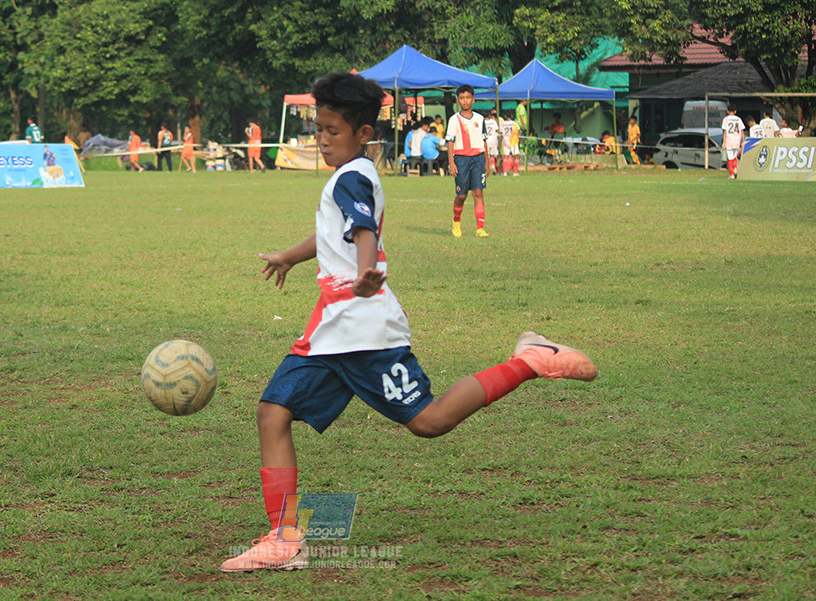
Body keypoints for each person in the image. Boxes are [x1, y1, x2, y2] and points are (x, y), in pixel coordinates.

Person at [219, 71, 598, 573]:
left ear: (363, 135)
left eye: (333, 130)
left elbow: (360, 234)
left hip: (362, 330)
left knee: (430, 421)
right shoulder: (352, 176)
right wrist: (291, 256)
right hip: (333, 327)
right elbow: (334, 232)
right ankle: (285, 538)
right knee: (272, 412)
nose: (322, 139)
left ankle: (529, 361)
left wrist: (366, 272)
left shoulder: (353, 176)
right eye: (319, 128)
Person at [445, 85, 490, 237]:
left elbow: (484, 142)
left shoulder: (480, 119)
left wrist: (487, 163)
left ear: (473, 100)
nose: (465, 101)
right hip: (461, 159)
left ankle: (480, 228)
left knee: (478, 192)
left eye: (468, 98)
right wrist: (451, 163)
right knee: (462, 195)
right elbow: (450, 142)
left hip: (478, 158)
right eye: (462, 98)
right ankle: (456, 221)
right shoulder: (454, 120)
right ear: (458, 101)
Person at [721, 105, 745, 179]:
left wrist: (724, 142)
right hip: (737, 139)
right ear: (735, 111)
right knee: (734, 155)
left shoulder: (726, 119)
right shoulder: (738, 119)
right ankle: (735, 168)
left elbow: (725, 131)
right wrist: (743, 141)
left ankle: (732, 174)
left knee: (730, 157)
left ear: (727, 111)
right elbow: (742, 130)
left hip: (729, 139)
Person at [499, 112, 521, 176]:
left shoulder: (502, 123)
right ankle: (515, 172)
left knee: (505, 157)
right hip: (513, 141)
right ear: (512, 116)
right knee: (516, 156)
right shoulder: (514, 123)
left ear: (505, 116)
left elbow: (501, 133)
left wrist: (501, 141)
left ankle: (505, 172)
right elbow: (518, 132)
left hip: (505, 141)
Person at [485, 109, 500, 175]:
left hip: (486, 141)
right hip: (493, 140)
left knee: (486, 156)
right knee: (492, 155)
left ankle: (486, 168)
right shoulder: (493, 122)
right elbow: (497, 130)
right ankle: (493, 166)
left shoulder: (482, 122)